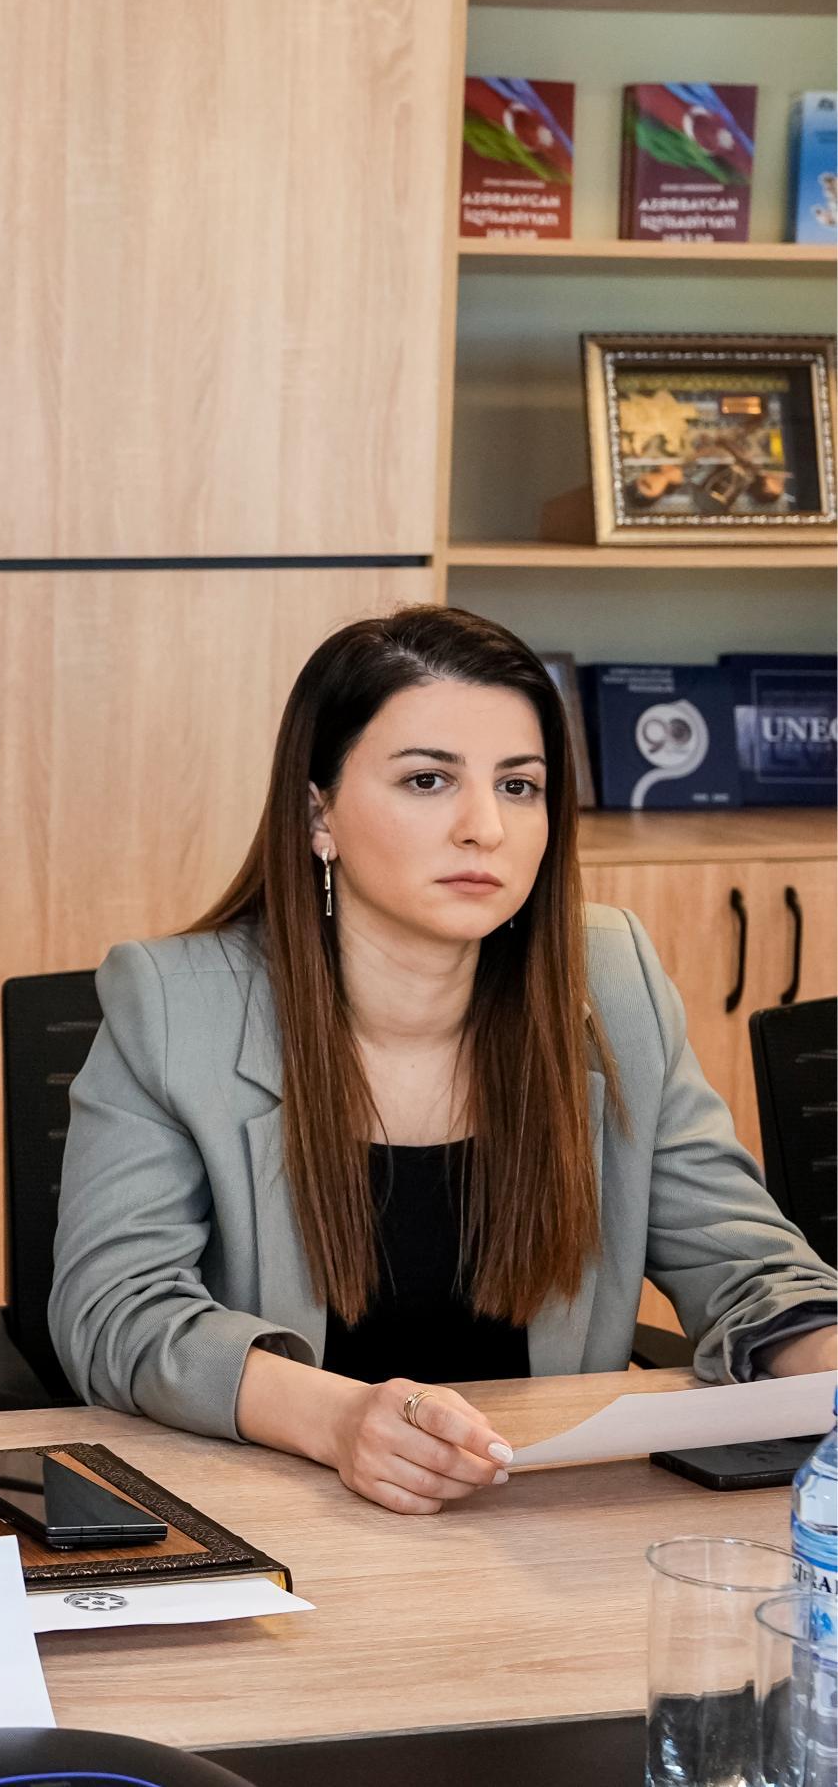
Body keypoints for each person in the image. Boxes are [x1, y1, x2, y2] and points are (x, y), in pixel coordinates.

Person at [50, 605, 834, 1515]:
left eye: (519, 786)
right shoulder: (174, 1003)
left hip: (541, 1514)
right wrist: (336, 1418)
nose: (484, 829)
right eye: (428, 780)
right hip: (282, 1507)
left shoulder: (612, 979)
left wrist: (824, 1358)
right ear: (318, 812)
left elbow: (748, 1269)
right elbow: (116, 1312)